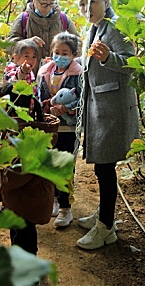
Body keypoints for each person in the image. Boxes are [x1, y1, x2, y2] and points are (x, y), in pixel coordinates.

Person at [74, 0, 140, 250]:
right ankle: (103, 216)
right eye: (81, 4)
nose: (86, 8)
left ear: (105, 0)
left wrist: (109, 57)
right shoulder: (95, 27)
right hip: (100, 107)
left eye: (91, 2)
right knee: (103, 166)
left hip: (113, 110)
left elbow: (133, 63)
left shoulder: (115, 26)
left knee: (104, 167)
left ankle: (106, 228)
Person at [37, 32, 82, 228]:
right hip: (49, 128)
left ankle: (66, 207)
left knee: (64, 166)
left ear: (73, 54)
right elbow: (39, 96)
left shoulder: (78, 74)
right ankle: (54, 199)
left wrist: (66, 108)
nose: (60, 56)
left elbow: (83, 99)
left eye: (65, 53)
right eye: (56, 52)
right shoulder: (45, 72)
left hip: (68, 128)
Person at [7, 0, 79, 75]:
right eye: (44, 4)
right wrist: (27, 43)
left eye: (51, 4)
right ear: (34, 0)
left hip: (55, 76)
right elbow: (8, 46)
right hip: (28, 74)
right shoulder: (23, 19)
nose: (48, 8)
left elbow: (78, 42)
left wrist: (62, 52)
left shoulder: (63, 19)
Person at [0, 165, 54, 255]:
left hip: (26, 204)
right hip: (22, 201)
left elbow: (12, 176)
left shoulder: (26, 155)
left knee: (24, 239)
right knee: (19, 234)